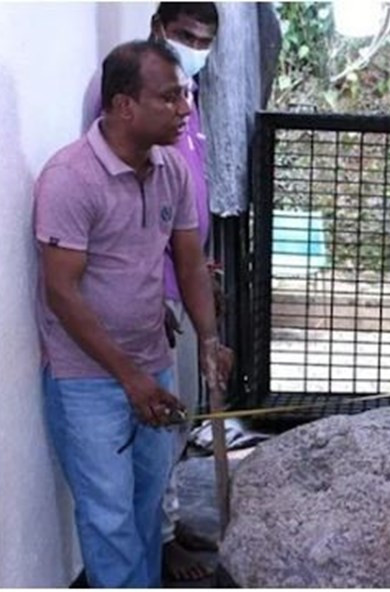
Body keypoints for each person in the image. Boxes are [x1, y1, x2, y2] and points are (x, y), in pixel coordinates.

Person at [35, 40, 231, 587]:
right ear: (124, 106)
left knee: (147, 507)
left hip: (151, 367)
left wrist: (209, 340)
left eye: (185, 95)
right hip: (87, 379)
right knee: (109, 516)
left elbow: (189, 265)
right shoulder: (70, 177)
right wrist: (129, 378)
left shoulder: (172, 170)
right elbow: (61, 293)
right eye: (169, 98)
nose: (185, 109)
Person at [82, 2, 220, 582]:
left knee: (162, 443)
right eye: (187, 35)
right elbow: (119, 220)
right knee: (115, 493)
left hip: (172, 289)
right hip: (133, 310)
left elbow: (181, 212)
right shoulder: (116, 111)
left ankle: (162, 536)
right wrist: (155, 292)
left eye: (206, 41)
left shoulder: (182, 101)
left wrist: (204, 312)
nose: (197, 48)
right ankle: (154, 547)